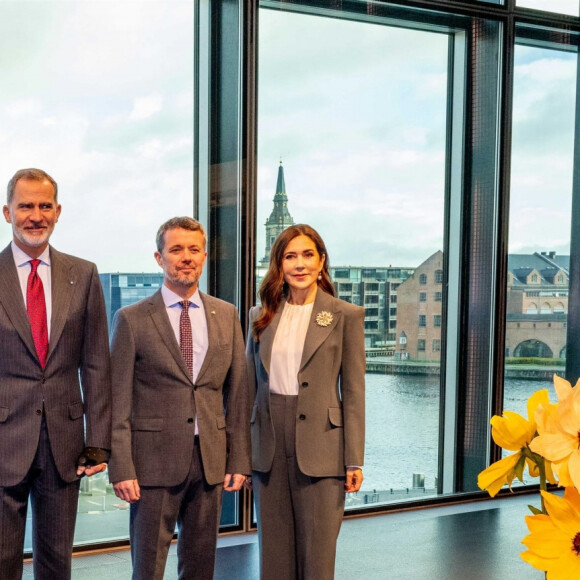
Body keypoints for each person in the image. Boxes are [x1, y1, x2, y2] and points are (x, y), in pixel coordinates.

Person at [108, 216, 251, 580]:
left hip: (211, 461)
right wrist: (121, 466)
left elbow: (237, 396)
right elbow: (118, 401)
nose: (185, 257)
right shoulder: (131, 319)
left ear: (204, 256)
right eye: (175, 249)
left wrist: (239, 459)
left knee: (201, 564)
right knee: (148, 566)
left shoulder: (227, 315)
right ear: (159, 258)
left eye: (193, 249)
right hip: (151, 464)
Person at [0, 168, 112, 579]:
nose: (35, 215)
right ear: (7, 212)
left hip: (65, 442)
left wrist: (99, 441)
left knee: (56, 561)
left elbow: (97, 362)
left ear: (58, 211)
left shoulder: (83, 274)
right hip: (4, 437)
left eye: (44, 205)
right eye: (25, 205)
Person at [246, 223, 365, 580]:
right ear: (279, 265)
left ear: (321, 260)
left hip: (323, 447)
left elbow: (355, 392)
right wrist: (243, 454)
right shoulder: (260, 316)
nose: (299, 264)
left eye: (308, 255)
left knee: (317, 557)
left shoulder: (346, 315)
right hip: (268, 445)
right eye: (290, 256)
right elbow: (247, 390)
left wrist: (354, 460)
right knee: (274, 556)